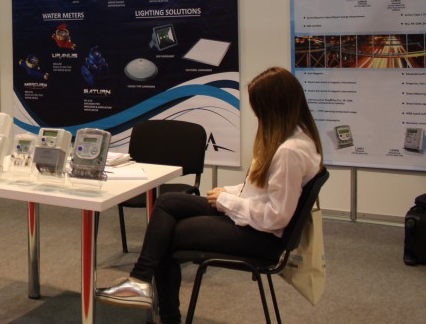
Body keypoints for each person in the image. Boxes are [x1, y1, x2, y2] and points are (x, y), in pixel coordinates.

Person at [96, 66, 323, 324]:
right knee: (167, 203)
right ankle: (140, 282)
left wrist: (227, 202)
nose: (256, 115)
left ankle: (152, 297)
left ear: (273, 109)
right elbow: (260, 190)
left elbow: (277, 216)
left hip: (262, 237)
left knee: (167, 235)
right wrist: (228, 192)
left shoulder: (289, 152)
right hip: (252, 221)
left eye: (258, 109)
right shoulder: (296, 140)